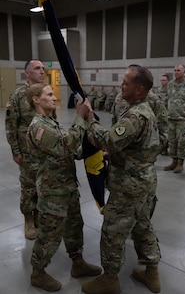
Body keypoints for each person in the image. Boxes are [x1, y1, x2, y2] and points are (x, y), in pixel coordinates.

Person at [81, 65, 161, 294]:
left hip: (129, 186)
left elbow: (107, 140)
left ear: (139, 89)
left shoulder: (135, 116)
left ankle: (110, 280)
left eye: (126, 83)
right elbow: (137, 147)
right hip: (145, 180)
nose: (121, 85)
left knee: (113, 231)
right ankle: (152, 273)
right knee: (143, 226)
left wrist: (89, 118)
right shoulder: (144, 109)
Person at [26, 83, 102, 292]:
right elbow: (65, 145)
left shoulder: (52, 123)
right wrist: (79, 116)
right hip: (52, 193)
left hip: (67, 188)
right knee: (49, 235)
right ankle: (38, 273)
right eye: (49, 94)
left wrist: (93, 150)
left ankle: (78, 263)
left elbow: (72, 150)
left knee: (74, 227)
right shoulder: (38, 127)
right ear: (36, 99)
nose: (54, 97)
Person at [5, 59, 48, 240]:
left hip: (45, 151)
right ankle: (28, 220)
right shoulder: (17, 96)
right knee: (29, 187)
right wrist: (16, 151)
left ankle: (40, 218)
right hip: (27, 152)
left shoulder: (46, 92)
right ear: (27, 73)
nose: (42, 71)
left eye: (43, 68)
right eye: (37, 68)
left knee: (43, 186)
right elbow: (10, 126)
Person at [155, 74, 170, 155]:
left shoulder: (171, 91)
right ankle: (162, 148)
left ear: (168, 81)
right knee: (160, 132)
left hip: (168, 114)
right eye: (161, 80)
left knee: (166, 133)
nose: (162, 82)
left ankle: (166, 148)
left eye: (164, 80)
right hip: (159, 115)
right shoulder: (158, 90)